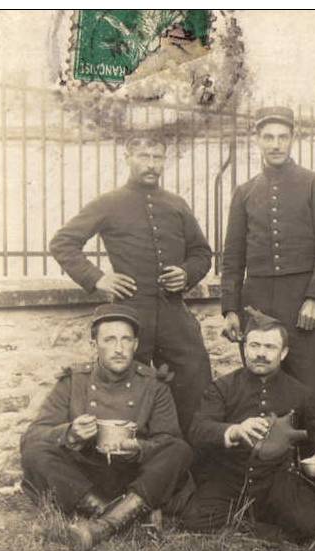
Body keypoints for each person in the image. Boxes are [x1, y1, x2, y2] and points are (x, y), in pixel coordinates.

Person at [49, 135, 213, 434]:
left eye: (157, 157)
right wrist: (98, 278)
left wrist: (186, 273)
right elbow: (62, 243)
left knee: (196, 380)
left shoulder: (176, 204)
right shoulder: (109, 203)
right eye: (143, 156)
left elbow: (202, 253)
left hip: (174, 314)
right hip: (130, 315)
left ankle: (191, 463)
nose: (151, 164)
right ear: (128, 157)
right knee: (129, 390)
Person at [20, 304, 194, 551]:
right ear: (94, 345)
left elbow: (169, 438)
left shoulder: (154, 385)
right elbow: (32, 437)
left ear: (135, 345)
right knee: (35, 453)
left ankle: (100, 527)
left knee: (180, 450)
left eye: (126, 340)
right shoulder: (74, 381)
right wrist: (69, 433)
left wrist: (139, 449)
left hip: (135, 477)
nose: (119, 348)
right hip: (84, 479)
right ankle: (119, 514)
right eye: (110, 340)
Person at [182, 308, 315, 543]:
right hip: (229, 477)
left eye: (269, 347)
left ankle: (248, 526)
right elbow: (197, 429)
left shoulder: (300, 393)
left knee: (313, 524)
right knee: (194, 520)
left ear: (283, 353)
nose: (261, 354)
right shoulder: (223, 387)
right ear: (244, 347)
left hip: (276, 480)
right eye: (254, 345)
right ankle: (265, 532)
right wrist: (234, 430)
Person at [221, 106, 315, 417]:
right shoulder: (245, 192)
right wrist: (231, 309)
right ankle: (270, 462)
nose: (275, 144)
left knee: (312, 386)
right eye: (268, 137)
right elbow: (233, 256)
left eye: (282, 137)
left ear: (292, 139)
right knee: (263, 390)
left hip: (303, 301)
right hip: (258, 304)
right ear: (257, 140)